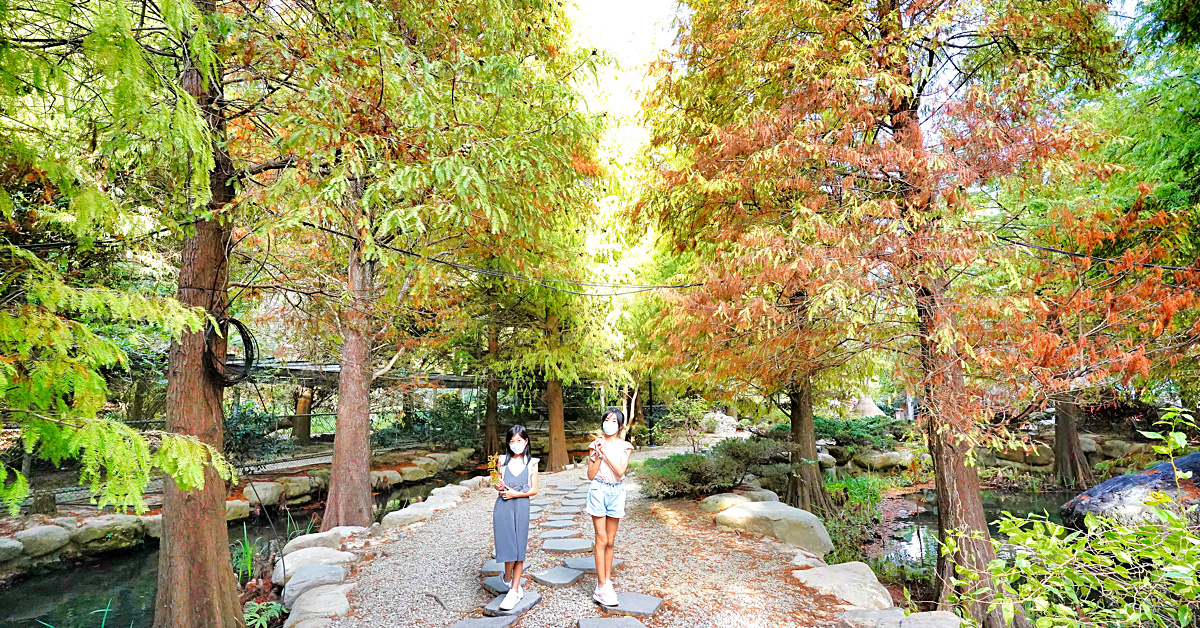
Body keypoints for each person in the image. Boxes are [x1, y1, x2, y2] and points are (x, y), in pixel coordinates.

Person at [586, 408, 634, 607]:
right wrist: (596, 454)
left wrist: (605, 451)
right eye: (607, 419)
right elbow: (591, 474)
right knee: (601, 539)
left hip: (616, 491)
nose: (610, 423)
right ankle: (601, 584)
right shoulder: (594, 444)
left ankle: (606, 582)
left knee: (611, 540)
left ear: (620, 425)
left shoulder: (625, 446)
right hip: (598, 490)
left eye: (614, 420)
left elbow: (621, 471)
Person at [493, 425, 539, 610]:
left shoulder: (532, 463)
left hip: (521, 505)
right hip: (503, 505)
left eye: (519, 440)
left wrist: (515, 494)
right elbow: (498, 483)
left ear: (526, 441)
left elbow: (534, 490)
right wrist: (499, 486)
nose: (515, 444)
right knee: (506, 544)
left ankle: (513, 590)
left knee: (519, 547)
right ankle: (507, 576)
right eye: (512, 441)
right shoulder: (502, 460)